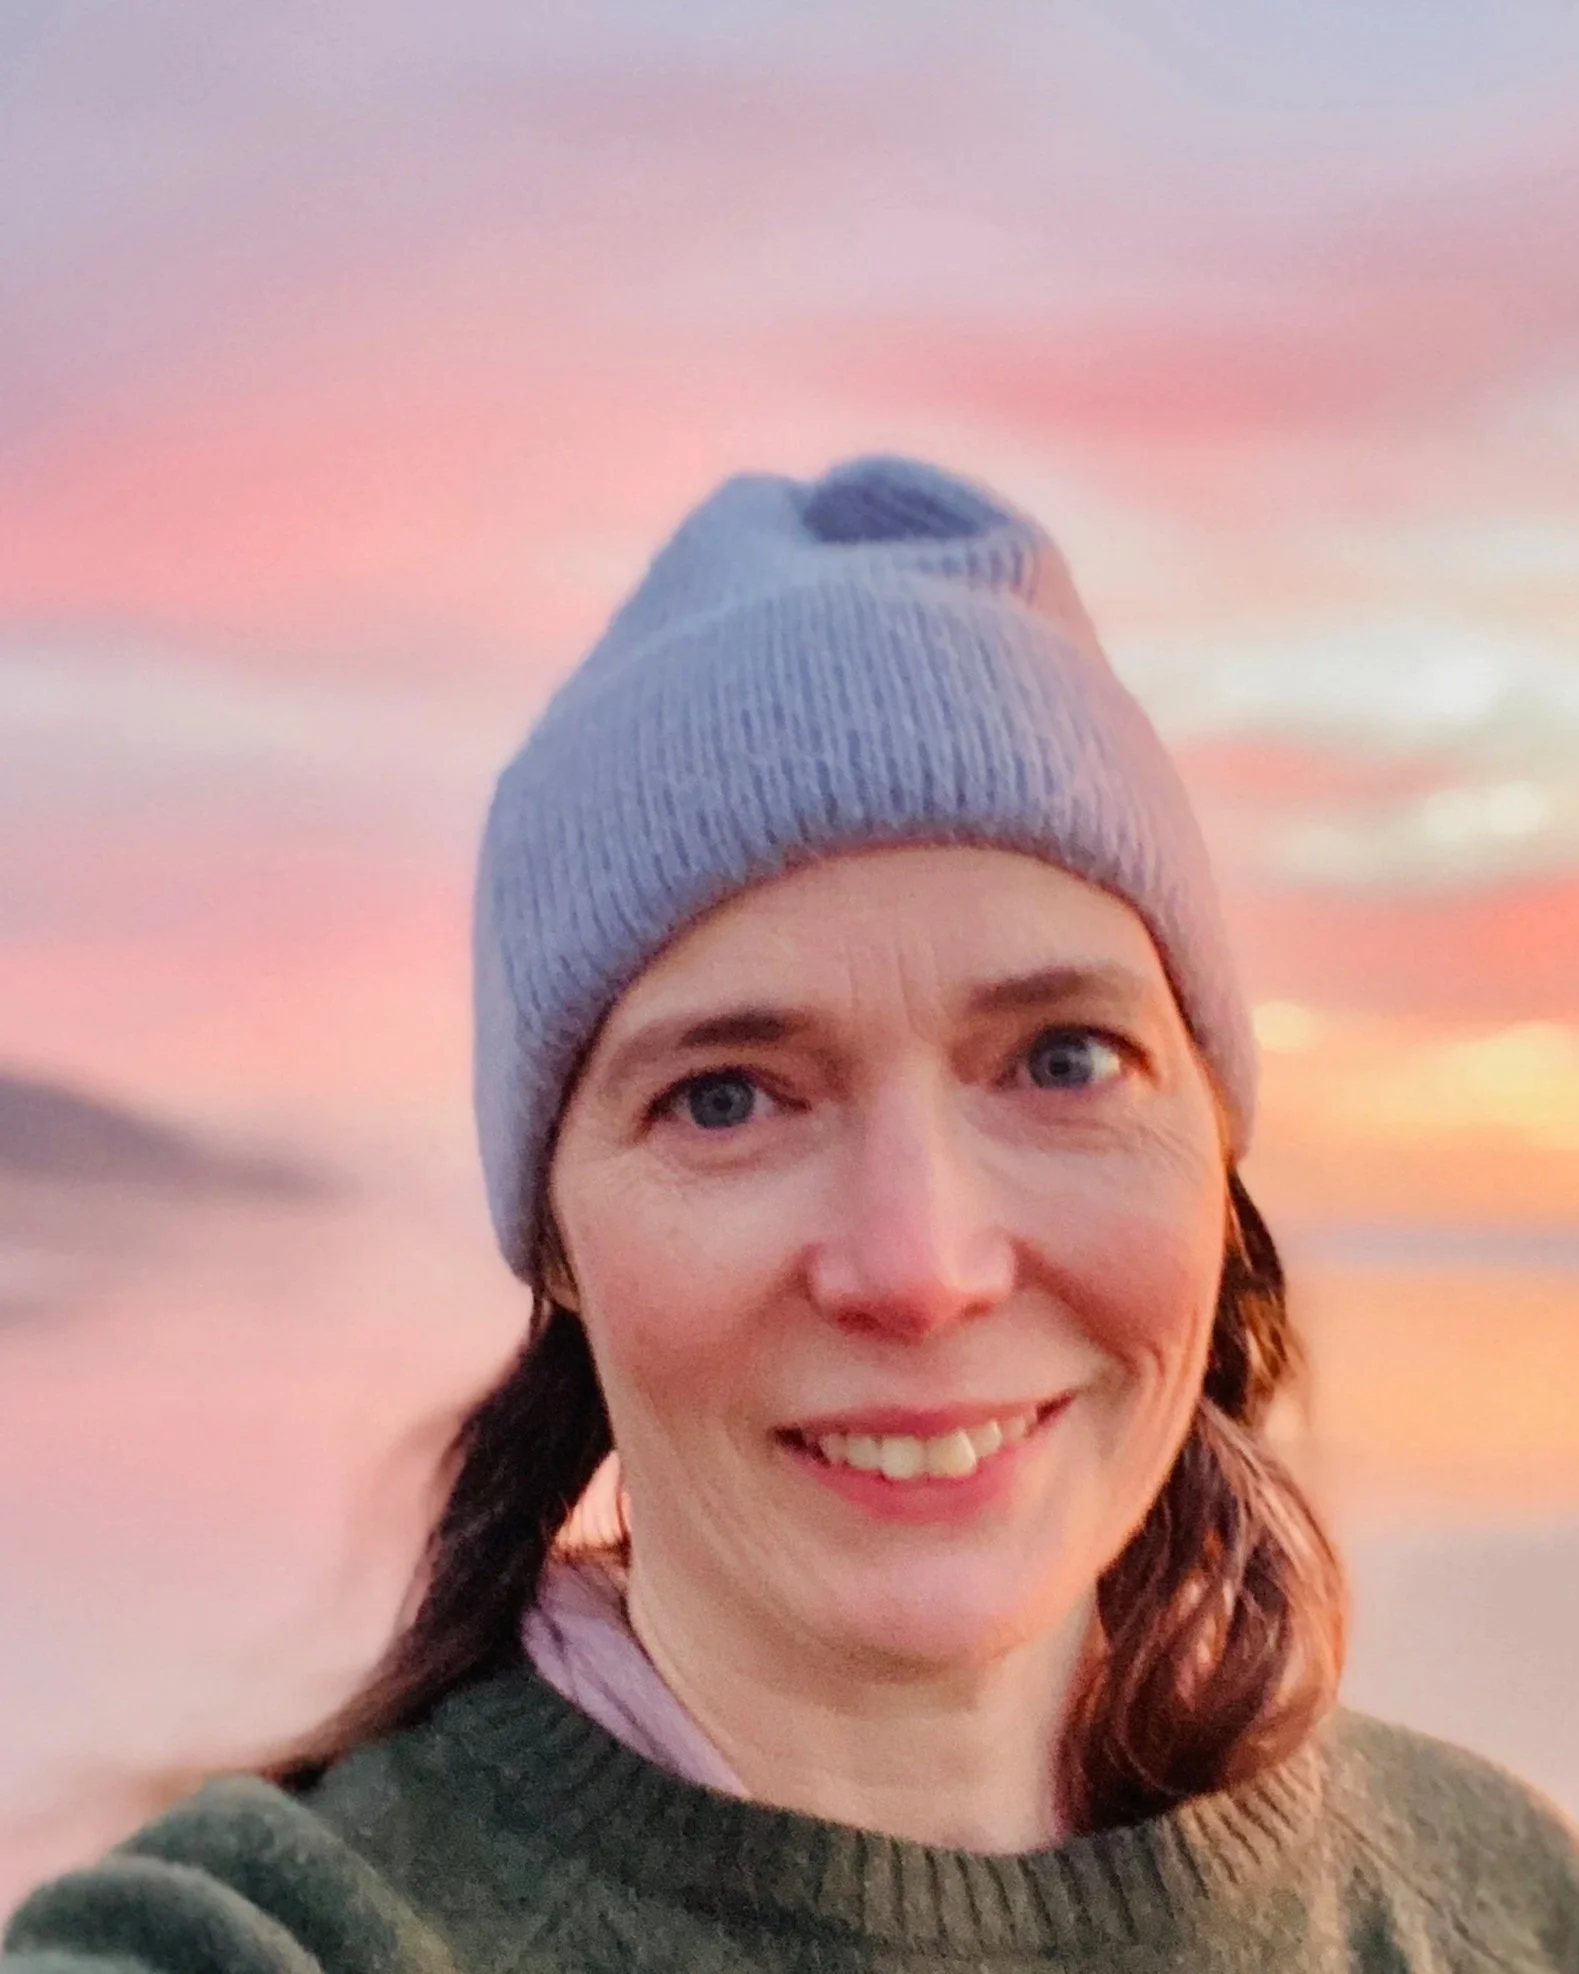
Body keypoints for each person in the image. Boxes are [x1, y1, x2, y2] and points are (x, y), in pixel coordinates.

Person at [5, 455, 1576, 1972]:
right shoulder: (281, 1936)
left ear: (1212, 1157)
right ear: (555, 1243)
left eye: (1063, 1058)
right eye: (726, 1095)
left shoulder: (1497, 1895)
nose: (920, 1268)